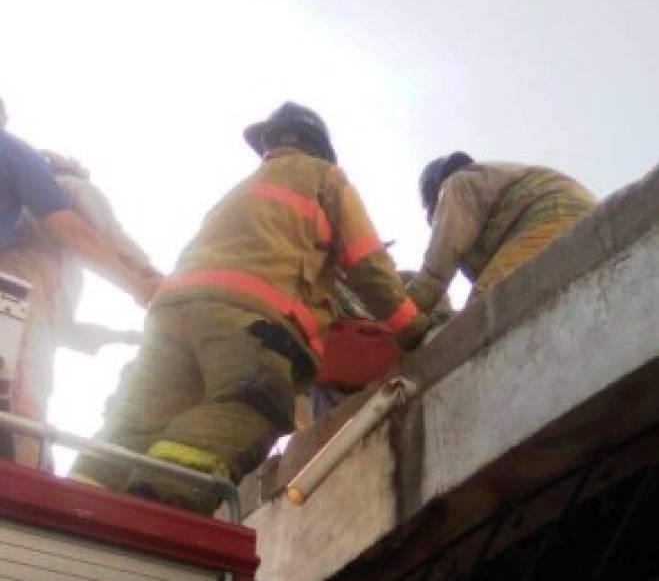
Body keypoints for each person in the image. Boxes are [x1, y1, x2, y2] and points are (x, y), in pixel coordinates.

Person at [71, 102, 429, 513]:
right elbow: (368, 265)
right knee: (253, 401)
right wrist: (413, 328)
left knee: (138, 421)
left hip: (170, 316)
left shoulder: (237, 192)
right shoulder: (324, 179)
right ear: (320, 147)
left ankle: (75, 501)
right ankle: (160, 499)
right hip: (250, 317)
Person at [0, 97, 162, 465]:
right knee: (20, 418)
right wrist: (151, 285)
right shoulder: (67, 185)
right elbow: (93, 236)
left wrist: (120, 337)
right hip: (15, 311)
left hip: (24, 317)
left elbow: (53, 325)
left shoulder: (13, 221)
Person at [407, 152, 597, 313]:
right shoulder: (490, 181)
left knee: (483, 308)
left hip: (550, 217)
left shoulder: (457, 183)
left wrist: (405, 311)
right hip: (580, 215)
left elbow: (438, 266)